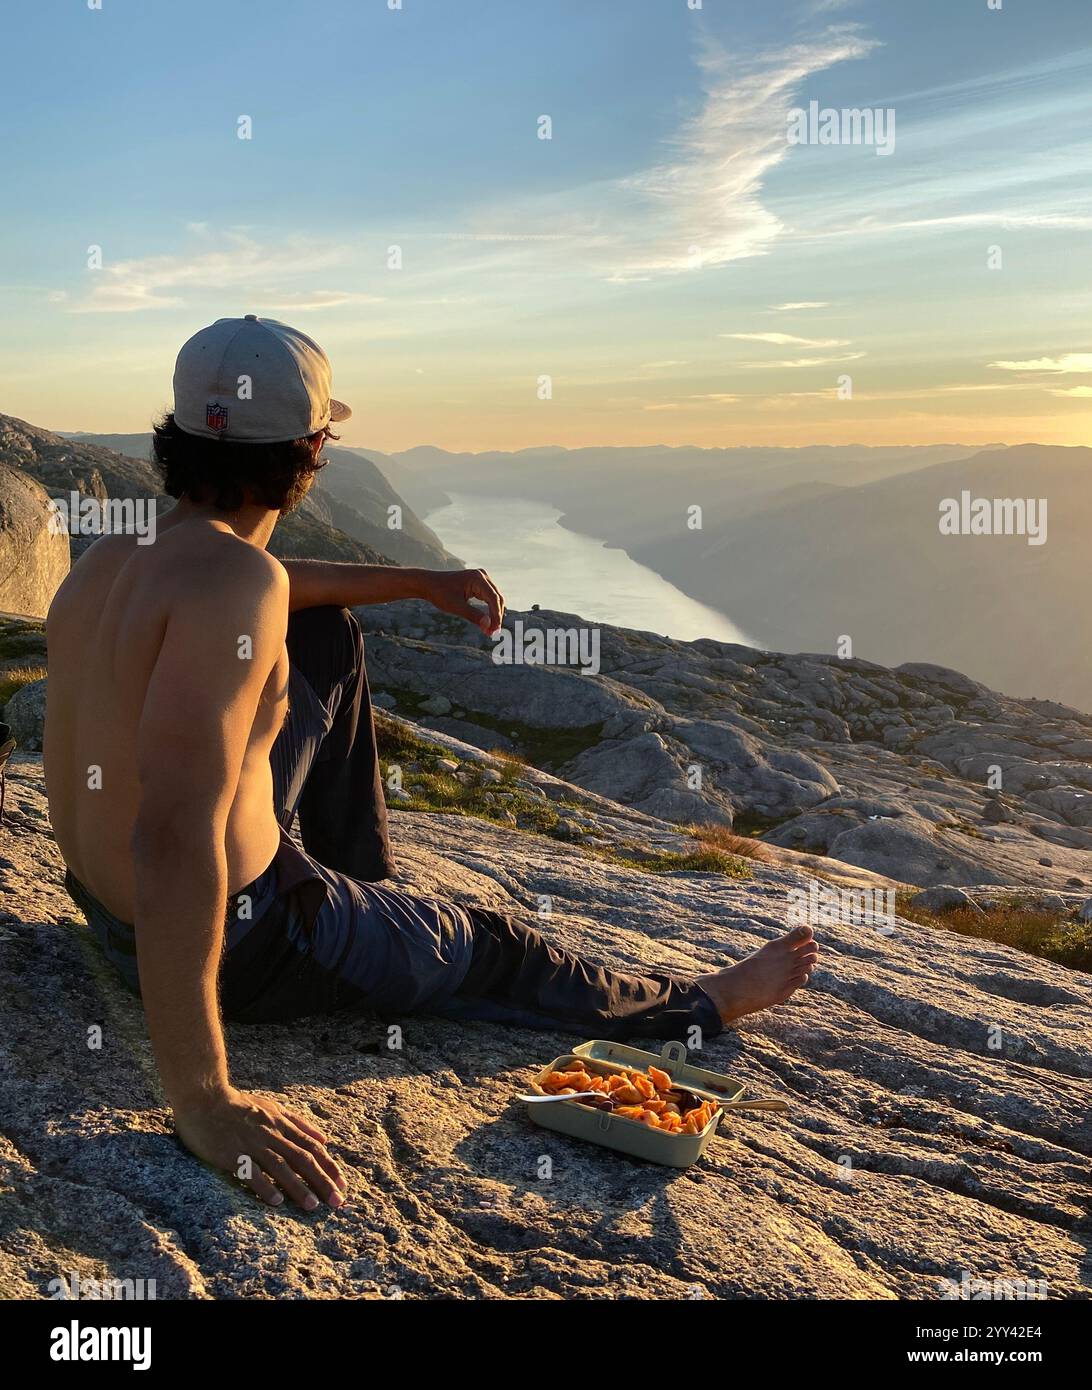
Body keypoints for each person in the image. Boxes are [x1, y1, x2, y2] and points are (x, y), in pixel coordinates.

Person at [44, 317, 819, 1212]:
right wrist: (203, 1099)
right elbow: (176, 835)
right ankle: (701, 1006)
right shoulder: (236, 587)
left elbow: (266, 587)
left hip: (109, 914)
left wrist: (419, 581)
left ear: (178, 435)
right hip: (240, 939)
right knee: (495, 946)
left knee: (324, 635)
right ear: (312, 451)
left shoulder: (114, 561)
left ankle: (364, 881)